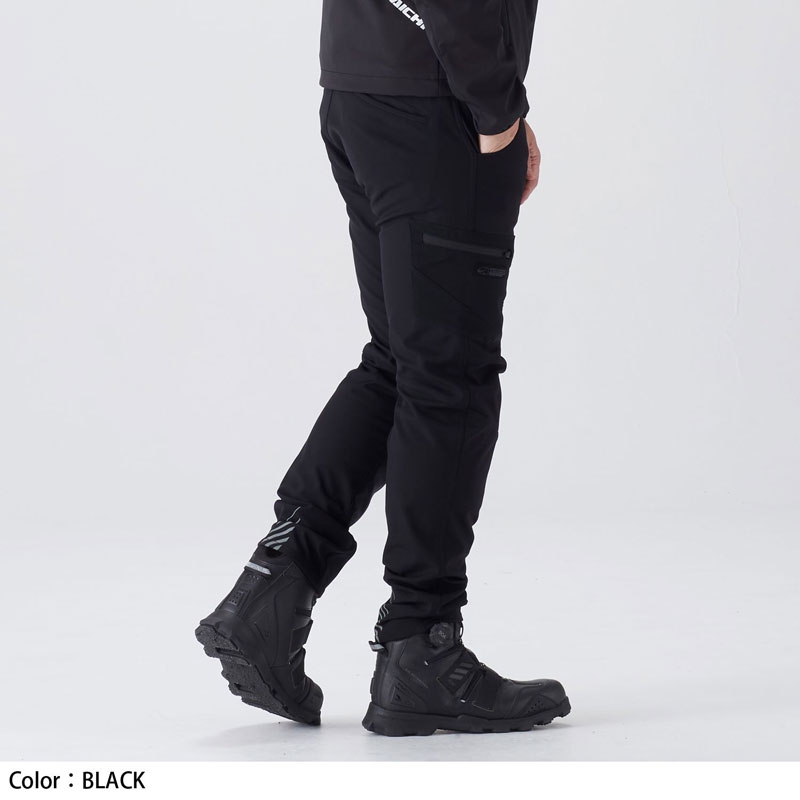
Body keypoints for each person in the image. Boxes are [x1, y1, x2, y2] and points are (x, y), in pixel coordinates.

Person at [195, 0, 571, 736]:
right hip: (435, 101)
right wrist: (494, 100)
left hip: (366, 87)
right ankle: (422, 643)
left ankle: (274, 586)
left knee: (404, 361)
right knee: (448, 376)